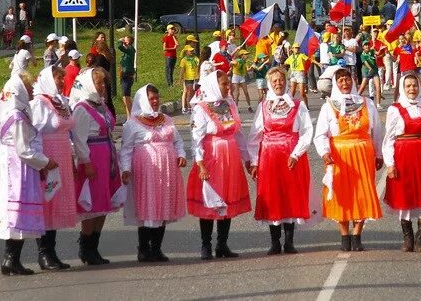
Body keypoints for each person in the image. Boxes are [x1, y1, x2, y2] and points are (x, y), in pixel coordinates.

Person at [0, 73, 59, 276]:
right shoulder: (18, 117)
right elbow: (23, 150)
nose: (31, 90)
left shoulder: (11, 112)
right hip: (17, 167)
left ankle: (11, 258)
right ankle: (10, 259)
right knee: (17, 212)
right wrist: (45, 162)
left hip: (10, 164)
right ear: (19, 90)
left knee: (16, 213)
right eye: (28, 87)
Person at [314, 67, 383, 251]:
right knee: (341, 194)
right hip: (339, 156)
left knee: (362, 193)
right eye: (340, 80)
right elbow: (320, 135)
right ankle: (345, 235)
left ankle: (357, 235)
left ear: (353, 81)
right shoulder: (329, 106)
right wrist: (324, 153)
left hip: (363, 155)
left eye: (347, 79)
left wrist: (379, 154)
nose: (344, 83)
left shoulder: (366, 103)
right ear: (335, 83)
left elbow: (376, 131)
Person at [247, 67, 314, 254]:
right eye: (274, 81)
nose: (278, 83)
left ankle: (289, 242)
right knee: (272, 196)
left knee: (290, 196)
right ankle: (275, 242)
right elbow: (254, 136)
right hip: (269, 158)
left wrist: (296, 153)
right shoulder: (263, 106)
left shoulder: (297, 105)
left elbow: (306, 131)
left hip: (291, 156)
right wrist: (254, 162)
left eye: (281, 80)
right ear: (269, 83)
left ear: (286, 81)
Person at [187, 71, 252, 259]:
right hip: (212, 158)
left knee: (227, 198)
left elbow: (238, 133)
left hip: (230, 158)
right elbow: (196, 139)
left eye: (228, 84)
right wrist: (200, 164)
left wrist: (247, 159)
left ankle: (222, 244)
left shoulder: (230, 104)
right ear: (215, 86)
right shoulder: (201, 108)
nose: (228, 87)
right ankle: (205, 244)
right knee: (210, 200)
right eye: (224, 84)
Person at [120, 85, 187, 262]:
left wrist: (181, 154)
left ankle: (156, 248)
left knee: (164, 204)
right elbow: (126, 149)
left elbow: (177, 141)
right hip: (145, 172)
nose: (156, 101)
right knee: (147, 206)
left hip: (168, 170)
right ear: (143, 100)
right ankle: (143, 249)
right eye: (151, 99)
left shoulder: (166, 119)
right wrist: (125, 169)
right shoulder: (133, 123)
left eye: (157, 98)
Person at [383, 73, 421, 252]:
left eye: (415, 85)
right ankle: (408, 237)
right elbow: (389, 139)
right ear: (402, 88)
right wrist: (390, 163)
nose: (412, 89)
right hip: (403, 157)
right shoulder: (395, 109)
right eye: (408, 86)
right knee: (405, 194)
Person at [70, 67, 122, 265]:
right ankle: (85, 247)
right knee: (91, 204)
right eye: (98, 83)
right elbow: (79, 140)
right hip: (93, 157)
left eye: (103, 83)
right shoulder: (82, 109)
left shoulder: (101, 105)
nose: (102, 87)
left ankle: (94, 247)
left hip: (107, 156)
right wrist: (87, 163)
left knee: (103, 203)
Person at [29, 66, 76, 270]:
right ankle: (44, 253)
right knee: (46, 203)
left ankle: (52, 252)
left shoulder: (61, 102)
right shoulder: (39, 104)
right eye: (58, 78)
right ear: (48, 79)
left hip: (62, 156)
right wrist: (41, 162)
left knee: (56, 202)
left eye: (63, 78)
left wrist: (72, 157)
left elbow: (68, 132)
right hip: (48, 156)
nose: (62, 81)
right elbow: (34, 133)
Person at [116, 36, 136, 117]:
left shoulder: (130, 49)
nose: (124, 40)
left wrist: (120, 40)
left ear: (128, 42)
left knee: (126, 97)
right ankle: (129, 116)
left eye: (125, 39)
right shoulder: (127, 51)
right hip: (124, 75)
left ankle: (130, 116)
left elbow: (119, 46)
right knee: (126, 97)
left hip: (127, 75)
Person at [179, 45, 202, 114]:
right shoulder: (184, 60)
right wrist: (180, 78)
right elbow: (182, 70)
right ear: (186, 52)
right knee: (189, 92)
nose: (192, 52)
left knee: (195, 92)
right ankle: (189, 107)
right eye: (190, 51)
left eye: (192, 51)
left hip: (196, 77)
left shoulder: (195, 58)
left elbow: (199, 65)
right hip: (188, 78)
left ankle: (194, 106)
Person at [358, 40, 381, 108]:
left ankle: (378, 104)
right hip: (366, 71)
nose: (367, 46)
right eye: (365, 45)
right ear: (363, 47)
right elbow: (365, 63)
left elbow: (377, 53)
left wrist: (381, 49)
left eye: (368, 45)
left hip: (374, 71)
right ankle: (355, 100)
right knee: (362, 87)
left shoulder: (372, 51)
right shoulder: (362, 55)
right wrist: (369, 68)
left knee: (378, 87)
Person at [230, 48, 253, 112]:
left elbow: (246, 70)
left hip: (242, 77)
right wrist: (231, 62)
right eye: (245, 54)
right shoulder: (237, 60)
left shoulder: (245, 62)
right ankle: (236, 108)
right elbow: (231, 63)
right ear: (242, 55)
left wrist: (251, 68)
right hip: (236, 77)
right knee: (237, 94)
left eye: (247, 54)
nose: (247, 56)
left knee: (246, 92)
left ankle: (249, 106)